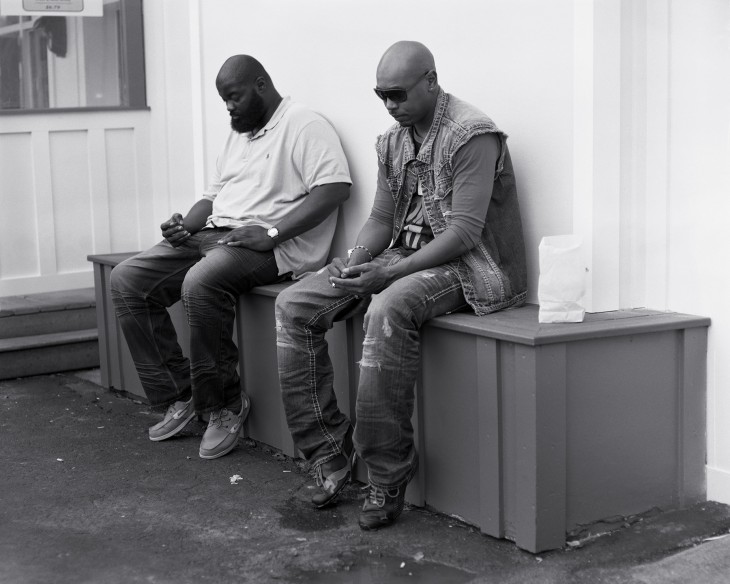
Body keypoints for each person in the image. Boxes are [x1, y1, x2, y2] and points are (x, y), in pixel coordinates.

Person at [275, 41, 527, 530]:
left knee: (387, 308)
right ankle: (327, 455)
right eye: (380, 95)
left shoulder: (472, 135)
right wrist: (355, 263)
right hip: (402, 258)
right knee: (294, 303)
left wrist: (387, 274)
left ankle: (386, 477)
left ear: (431, 81)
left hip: (472, 267)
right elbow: (381, 217)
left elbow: (463, 234)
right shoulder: (393, 139)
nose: (389, 105)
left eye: (397, 93)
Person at [110, 55, 351, 460]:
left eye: (233, 97)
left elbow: (335, 189)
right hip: (214, 235)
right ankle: (179, 395)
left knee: (200, 282)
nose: (229, 107)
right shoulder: (240, 134)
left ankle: (223, 405)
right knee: (127, 279)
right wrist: (185, 226)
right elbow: (213, 196)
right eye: (223, 100)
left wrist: (272, 232)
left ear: (261, 84)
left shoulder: (304, 124)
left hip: (269, 246)